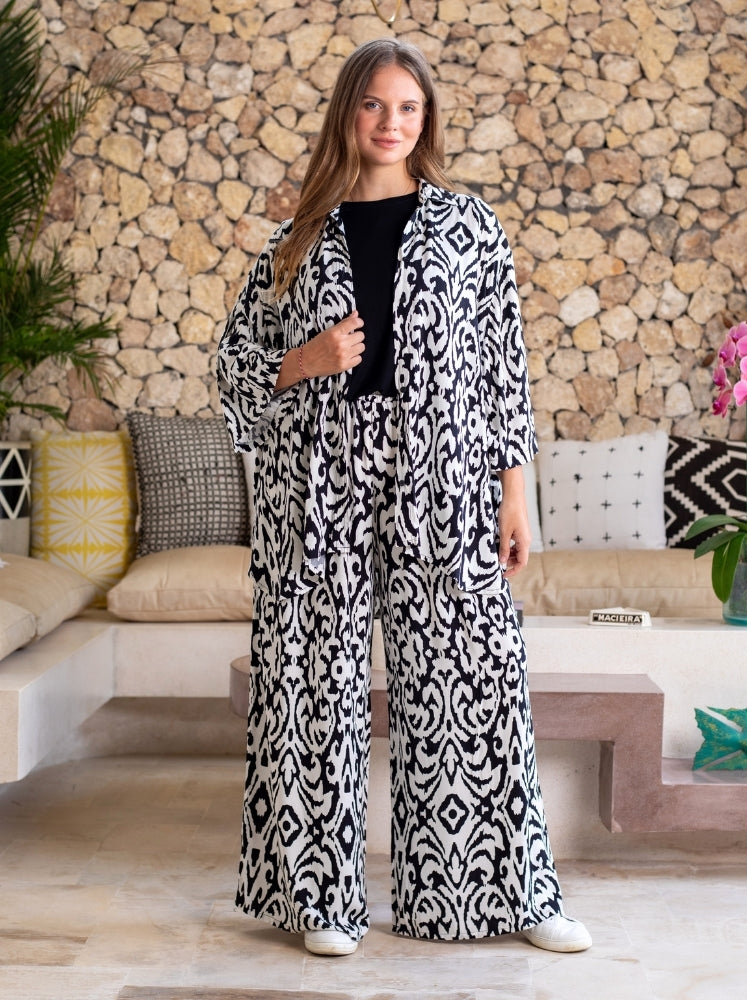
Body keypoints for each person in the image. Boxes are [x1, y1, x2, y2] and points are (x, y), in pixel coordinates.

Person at [216, 37, 592, 958]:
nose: (392, 123)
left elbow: (503, 369)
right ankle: (320, 900)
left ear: (428, 119)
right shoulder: (294, 239)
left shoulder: (470, 228)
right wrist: (304, 360)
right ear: (348, 112)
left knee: (474, 675)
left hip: (445, 475)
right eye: (375, 104)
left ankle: (506, 894)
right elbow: (231, 368)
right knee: (314, 681)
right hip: (319, 484)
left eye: (409, 108)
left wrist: (515, 496)